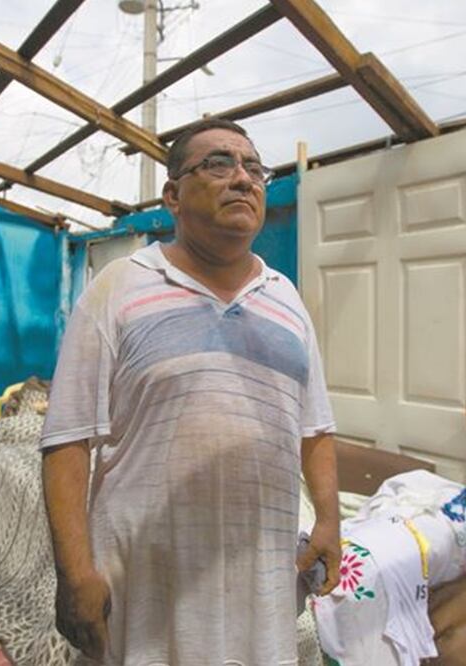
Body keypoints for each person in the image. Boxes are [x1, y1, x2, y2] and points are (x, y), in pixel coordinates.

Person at [41, 118, 341, 664]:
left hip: (261, 582)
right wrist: (74, 572)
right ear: (173, 196)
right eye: (219, 163)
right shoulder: (119, 286)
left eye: (254, 168)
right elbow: (66, 438)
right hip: (144, 582)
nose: (243, 179)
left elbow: (315, 425)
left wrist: (328, 520)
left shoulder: (287, 298)